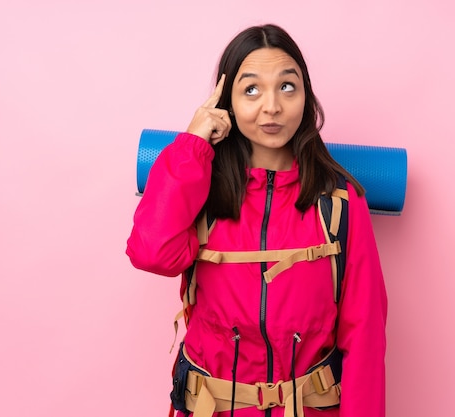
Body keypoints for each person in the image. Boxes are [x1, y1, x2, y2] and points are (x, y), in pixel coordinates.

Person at [126, 24, 387, 417]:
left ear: (306, 96)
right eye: (251, 89)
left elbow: (365, 335)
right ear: (225, 102)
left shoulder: (341, 203)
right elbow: (151, 253)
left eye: (287, 87)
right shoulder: (201, 189)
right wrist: (194, 145)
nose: (272, 107)